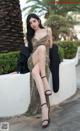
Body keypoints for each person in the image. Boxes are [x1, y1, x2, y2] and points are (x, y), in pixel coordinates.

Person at [26, 13, 53, 128]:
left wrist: (47, 43)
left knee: (34, 72)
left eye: (34, 21)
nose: (32, 24)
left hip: (44, 59)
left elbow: (50, 46)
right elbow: (32, 50)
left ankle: (44, 108)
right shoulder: (30, 36)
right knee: (41, 48)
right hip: (33, 59)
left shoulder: (48, 30)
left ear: (38, 20)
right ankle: (45, 80)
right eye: (30, 23)